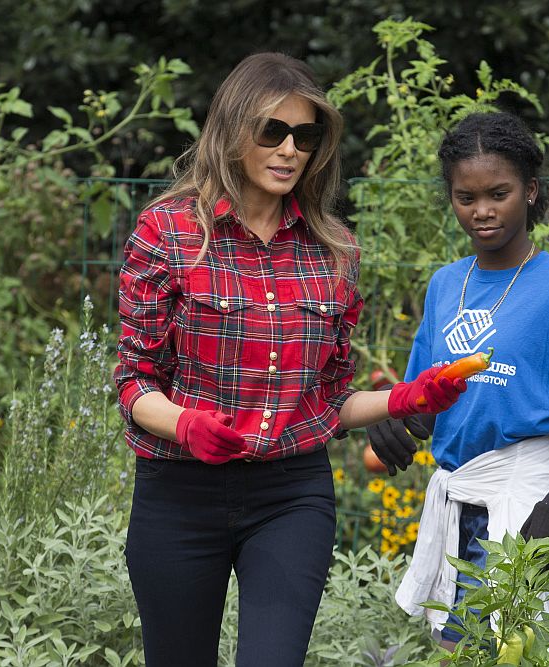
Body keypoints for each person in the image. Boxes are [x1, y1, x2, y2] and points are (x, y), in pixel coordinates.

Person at [113, 52, 467, 667]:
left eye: (304, 136)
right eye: (271, 131)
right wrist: (187, 425)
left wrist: (408, 397)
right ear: (231, 131)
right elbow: (134, 381)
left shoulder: (334, 250)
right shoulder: (167, 231)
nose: (289, 150)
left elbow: (328, 402)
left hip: (290, 494)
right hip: (179, 493)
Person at [366, 111, 549, 646]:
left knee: (494, 650)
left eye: (499, 193)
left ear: (531, 191)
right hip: (457, 501)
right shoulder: (447, 285)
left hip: (525, 506)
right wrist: (395, 421)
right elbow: (425, 400)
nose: (482, 211)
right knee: (466, 649)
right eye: (465, 198)